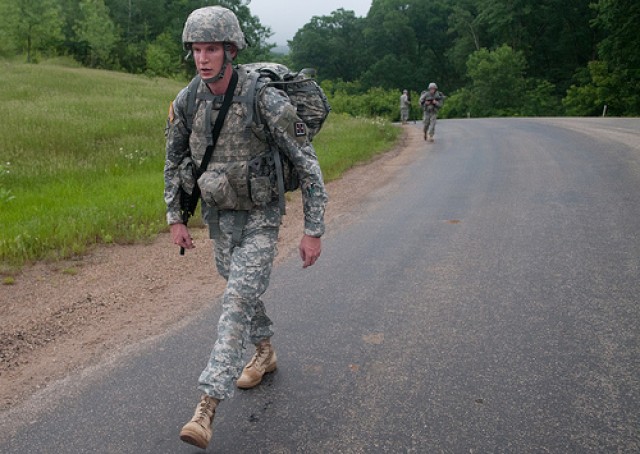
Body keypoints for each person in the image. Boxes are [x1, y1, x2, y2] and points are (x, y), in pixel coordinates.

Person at [163, 6, 328, 449]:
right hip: (218, 215)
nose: (203, 58)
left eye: (212, 49)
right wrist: (176, 216)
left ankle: (206, 406)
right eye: (197, 49)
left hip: (261, 215)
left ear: (230, 50)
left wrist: (314, 228)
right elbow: (174, 159)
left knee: (235, 299)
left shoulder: (264, 99)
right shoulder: (187, 100)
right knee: (238, 287)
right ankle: (265, 351)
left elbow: (306, 163)